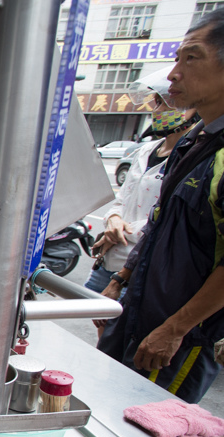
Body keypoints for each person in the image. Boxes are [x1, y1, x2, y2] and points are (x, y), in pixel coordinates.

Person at [96, 8, 224, 404]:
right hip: (137, 314)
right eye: (176, 58)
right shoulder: (195, 142)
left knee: (143, 430)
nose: (173, 74)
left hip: (180, 337)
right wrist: (118, 282)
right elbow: (159, 223)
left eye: (191, 57)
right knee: (100, 409)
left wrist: (175, 329)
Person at [85, 71, 198, 309]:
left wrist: (117, 233)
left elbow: (168, 219)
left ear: (187, 111)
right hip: (110, 258)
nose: (155, 111)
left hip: (139, 267)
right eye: (156, 103)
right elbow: (122, 199)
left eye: (162, 104)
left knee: (119, 335)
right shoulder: (145, 151)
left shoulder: (193, 158)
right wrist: (113, 219)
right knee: (98, 324)